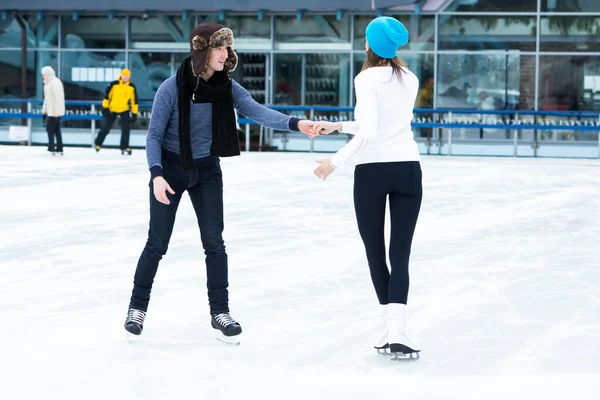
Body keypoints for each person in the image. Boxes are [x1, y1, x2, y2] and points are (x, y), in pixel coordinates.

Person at [124, 22, 315, 343]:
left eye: (228, 48)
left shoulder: (227, 88)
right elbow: (154, 135)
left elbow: (258, 112)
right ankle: (136, 308)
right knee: (157, 243)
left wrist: (299, 123)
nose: (226, 54)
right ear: (203, 51)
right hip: (170, 169)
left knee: (215, 243)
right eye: (220, 48)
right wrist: (155, 174)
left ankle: (220, 312)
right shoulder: (171, 88)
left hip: (207, 170)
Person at [312, 16, 422, 359]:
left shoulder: (365, 78)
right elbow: (382, 124)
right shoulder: (411, 79)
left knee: (376, 251)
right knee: (399, 253)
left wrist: (335, 162)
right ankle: (397, 329)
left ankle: (391, 327)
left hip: (373, 172)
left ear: (369, 45)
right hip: (408, 170)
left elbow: (372, 133)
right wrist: (338, 126)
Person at [94, 68, 138, 155]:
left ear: (129, 77)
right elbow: (106, 96)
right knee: (106, 127)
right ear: (121, 75)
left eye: (127, 76)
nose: (125, 77)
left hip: (124, 109)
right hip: (112, 108)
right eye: (124, 75)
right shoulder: (113, 84)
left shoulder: (131, 87)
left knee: (126, 129)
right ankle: (98, 143)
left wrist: (134, 113)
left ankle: (125, 146)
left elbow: (134, 101)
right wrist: (105, 108)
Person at [41, 66, 65, 156]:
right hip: (51, 110)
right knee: (56, 129)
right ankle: (59, 148)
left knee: (49, 128)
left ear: (48, 74)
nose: (43, 76)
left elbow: (58, 98)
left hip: (55, 111)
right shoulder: (47, 84)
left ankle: (52, 148)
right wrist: (45, 109)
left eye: (44, 75)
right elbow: (47, 98)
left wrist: (57, 112)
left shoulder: (55, 83)